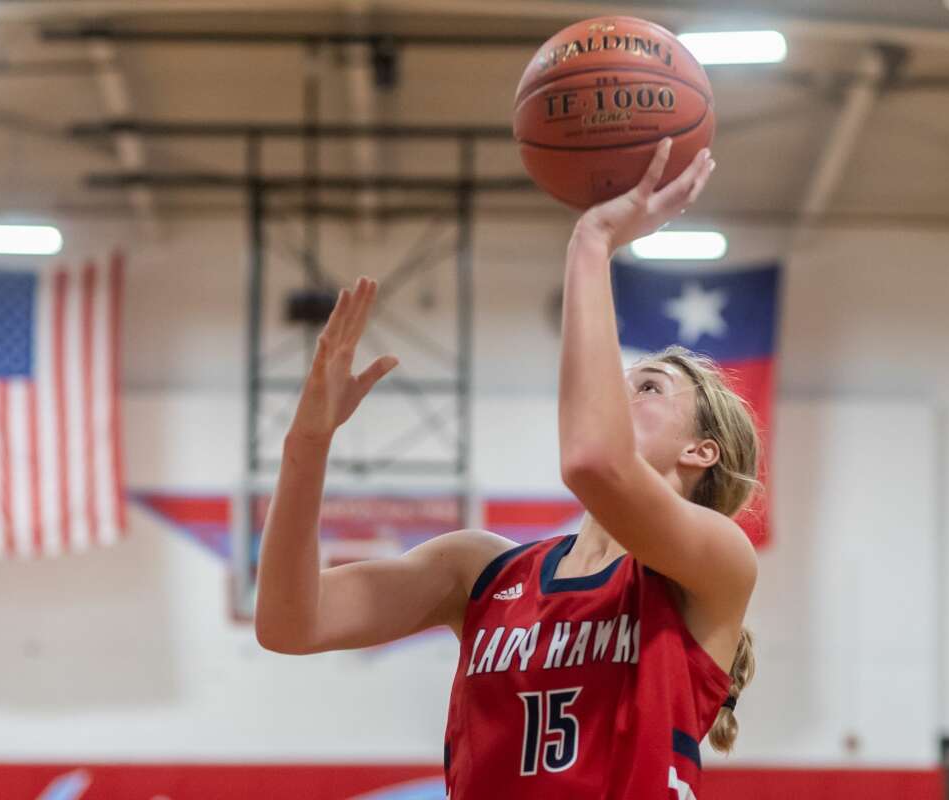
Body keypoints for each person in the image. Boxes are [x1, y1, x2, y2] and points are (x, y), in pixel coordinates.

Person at [256, 138, 759, 798]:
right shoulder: (481, 572)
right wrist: (306, 449)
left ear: (701, 451)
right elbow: (291, 623)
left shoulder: (714, 565)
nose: (614, 391)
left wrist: (592, 241)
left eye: (649, 387)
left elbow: (592, 462)